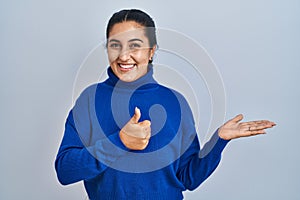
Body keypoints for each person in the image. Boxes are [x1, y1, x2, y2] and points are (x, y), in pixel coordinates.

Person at [54, 9, 276, 200]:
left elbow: (187, 178)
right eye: (115, 45)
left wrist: (219, 140)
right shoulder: (90, 100)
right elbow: (65, 171)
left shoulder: (175, 102)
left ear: (151, 51)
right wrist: (119, 142)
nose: (124, 56)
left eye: (135, 46)